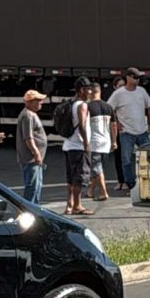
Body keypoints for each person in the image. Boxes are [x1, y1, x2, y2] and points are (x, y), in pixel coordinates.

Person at [108, 68, 150, 193]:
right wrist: (116, 123)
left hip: (142, 131)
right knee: (127, 160)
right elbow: (109, 109)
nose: (138, 80)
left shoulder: (141, 91)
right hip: (126, 132)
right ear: (128, 78)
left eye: (139, 77)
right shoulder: (119, 94)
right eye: (135, 77)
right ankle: (131, 184)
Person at [61, 77, 94, 216]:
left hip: (68, 145)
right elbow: (81, 125)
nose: (90, 92)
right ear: (82, 90)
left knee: (70, 177)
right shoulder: (82, 105)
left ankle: (69, 205)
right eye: (88, 89)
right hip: (78, 146)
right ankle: (77, 205)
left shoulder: (71, 104)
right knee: (80, 177)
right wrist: (86, 143)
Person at [17, 89, 47, 204]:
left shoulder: (31, 114)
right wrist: (36, 153)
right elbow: (28, 138)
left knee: (37, 185)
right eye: (38, 100)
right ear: (29, 102)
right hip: (30, 159)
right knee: (32, 186)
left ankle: (34, 208)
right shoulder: (28, 116)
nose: (41, 102)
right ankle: (29, 210)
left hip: (34, 159)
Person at [87, 83, 113, 201]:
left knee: (97, 168)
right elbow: (114, 125)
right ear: (100, 91)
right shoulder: (108, 107)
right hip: (106, 142)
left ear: (91, 92)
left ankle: (103, 191)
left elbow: (84, 125)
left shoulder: (88, 107)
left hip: (94, 142)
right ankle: (90, 190)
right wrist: (113, 141)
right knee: (98, 167)